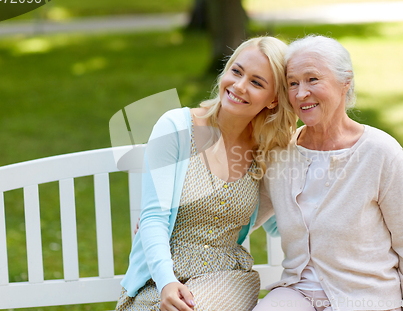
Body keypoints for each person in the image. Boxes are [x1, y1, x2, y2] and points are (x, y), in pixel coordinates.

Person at [116, 36, 297, 311]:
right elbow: (154, 217)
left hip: (226, 279)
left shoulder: (268, 152)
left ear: (273, 100)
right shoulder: (176, 127)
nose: (239, 86)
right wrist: (166, 283)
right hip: (158, 281)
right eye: (236, 71)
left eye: (256, 82)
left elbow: (285, 219)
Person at [253, 35, 403, 311]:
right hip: (298, 293)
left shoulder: (380, 152)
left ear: (345, 81)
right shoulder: (281, 155)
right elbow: (245, 215)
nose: (301, 94)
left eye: (312, 79)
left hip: (366, 297)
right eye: (292, 83)